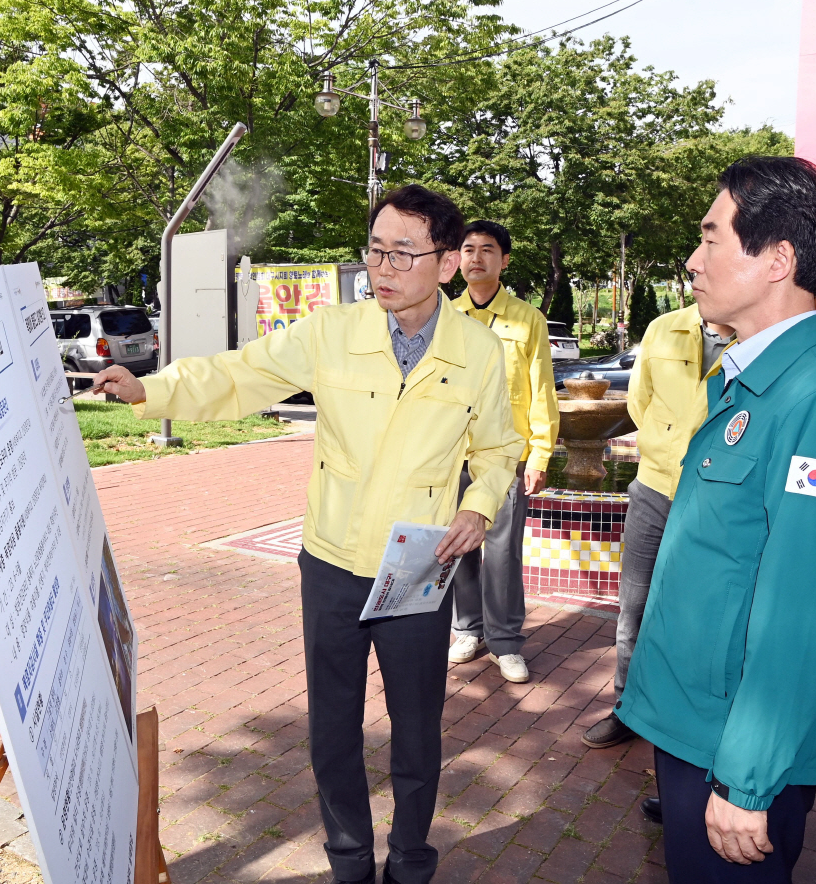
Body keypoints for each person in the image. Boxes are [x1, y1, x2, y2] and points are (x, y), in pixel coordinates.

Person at [94, 185, 524, 884]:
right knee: (333, 733)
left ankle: (411, 862)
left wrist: (477, 507)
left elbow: (501, 447)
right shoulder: (332, 331)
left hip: (417, 565)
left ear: (446, 264)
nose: (383, 268)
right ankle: (349, 861)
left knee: (416, 734)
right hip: (330, 560)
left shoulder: (477, 350)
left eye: (404, 253)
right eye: (376, 251)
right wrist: (155, 390)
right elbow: (242, 374)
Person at [616, 156, 816, 882]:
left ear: (778, 259)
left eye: (711, 239)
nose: (692, 260)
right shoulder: (751, 384)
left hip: (733, 754)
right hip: (696, 726)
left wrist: (749, 779)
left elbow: (805, 610)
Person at [581, 303, 735, 758]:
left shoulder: (754, 335)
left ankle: (685, 725)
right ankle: (627, 709)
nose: (700, 276)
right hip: (652, 486)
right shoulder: (664, 329)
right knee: (634, 608)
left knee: (701, 615)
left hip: (713, 496)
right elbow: (638, 400)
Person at [447, 220, 559, 684]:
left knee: (502, 553)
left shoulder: (527, 318)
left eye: (487, 250)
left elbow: (541, 390)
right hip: (452, 455)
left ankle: (506, 642)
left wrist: (539, 455)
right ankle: (468, 629)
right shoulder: (444, 315)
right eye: (468, 249)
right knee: (457, 547)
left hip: (505, 455)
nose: (475, 258)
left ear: (504, 260)